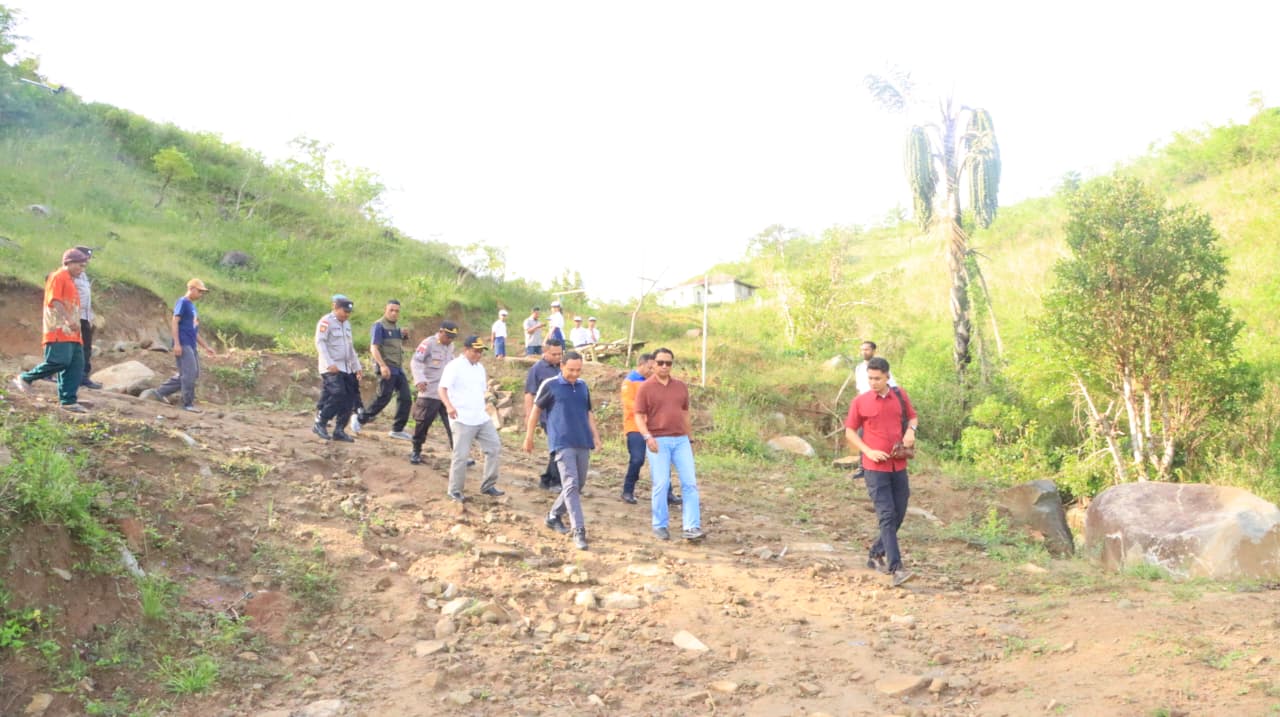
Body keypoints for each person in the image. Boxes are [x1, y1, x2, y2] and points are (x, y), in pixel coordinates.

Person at [844, 356, 918, 587]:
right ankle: (896, 568)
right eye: (870, 378)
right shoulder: (860, 401)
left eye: (877, 378)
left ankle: (876, 552)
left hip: (898, 465)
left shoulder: (899, 395)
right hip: (874, 468)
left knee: (899, 514)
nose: (873, 382)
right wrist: (868, 451)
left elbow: (913, 417)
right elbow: (850, 432)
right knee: (886, 515)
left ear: (887, 376)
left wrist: (911, 431)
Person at [523, 351, 600, 550]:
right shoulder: (550, 385)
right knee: (571, 483)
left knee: (578, 484)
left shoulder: (583, 386)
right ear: (562, 366)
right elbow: (536, 411)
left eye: (578, 370)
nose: (575, 374)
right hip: (561, 442)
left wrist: (596, 437)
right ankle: (579, 531)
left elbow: (588, 412)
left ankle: (554, 515)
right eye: (571, 369)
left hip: (582, 441)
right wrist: (529, 436)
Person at [634, 348, 704, 542]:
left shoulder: (680, 386)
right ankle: (660, 524)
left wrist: (690, 439)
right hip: (658, 439)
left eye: (668, 363)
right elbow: (639, 415)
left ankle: (691, 526)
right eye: (661, 362)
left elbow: (684, 413)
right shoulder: (645, 388)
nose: (664, 366)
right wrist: (647, 437)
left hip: (681, 440)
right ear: (653, 364)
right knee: (662, 483)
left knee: (690, 483)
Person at [11, 248, 90, 413]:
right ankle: (25, 378)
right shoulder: (58, 276)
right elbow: (55, 300)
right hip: (58, 329)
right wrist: (68, 319)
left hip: (73, 333)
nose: (82, 270)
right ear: (69, 263)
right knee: (59, 361)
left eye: (84, 267)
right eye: (80, 266)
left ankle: (68, 400)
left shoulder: (71, 281)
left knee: (76, 365)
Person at [438, 335, 503, 502]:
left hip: (480, 416)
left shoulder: (480, 368)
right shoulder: (454, 366)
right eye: (475, 351)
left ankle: (488, 485)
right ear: (465, 350)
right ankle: (455, 490)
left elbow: (480, 391)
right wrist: (449, 406)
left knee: (494, 447)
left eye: (480, 352)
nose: (478, 355)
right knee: (461, 455)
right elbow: (442, 389)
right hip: (461, 417)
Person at [144, 278, 216, 412]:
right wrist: (177, 343)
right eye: (200, 291)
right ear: (192, 289)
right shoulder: (182, 302)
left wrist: (206, 347)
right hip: (183, 343)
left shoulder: (192, 307)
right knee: (189, 374)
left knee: (191, 374)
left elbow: (194, 331)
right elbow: (174, 322)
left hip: (191, 344)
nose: (201, 295)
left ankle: (160, 392)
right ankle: (186, 404)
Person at [620, 353, 678, 505]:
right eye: (650, 367)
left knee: (662, 460)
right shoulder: (630, 382)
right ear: (642, 365)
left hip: (655, 427)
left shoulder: (654, 382)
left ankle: (668, 493)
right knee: (637, 459)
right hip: (635, 427)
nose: (653, 370)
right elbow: (629, 404)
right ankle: (628, 490)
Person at [356, 299, 412, 440]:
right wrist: (382, 366)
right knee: (384, 398)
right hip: (387, 367)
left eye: (397, 311)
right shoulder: (379, 325)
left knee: (406, 398)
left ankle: (397, 430)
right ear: (385, 310)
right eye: (391, 310)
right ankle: (360, 419)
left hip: (398, 369)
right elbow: (374, 348)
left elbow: (395, 345)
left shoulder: (396, 328)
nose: (394, 313)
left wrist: (404, 336)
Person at [312, 295, 362, 442]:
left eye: (348, 312)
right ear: (335, 307)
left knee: (349, 398)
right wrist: (329, 363)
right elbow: (320, 343)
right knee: (338, 393)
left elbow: (350, 347)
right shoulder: (326, 322)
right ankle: (321, 422)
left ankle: (339, 429)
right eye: (344, 311)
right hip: (331, 367)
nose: (346, 315)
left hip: (346, 367)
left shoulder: (347, 325)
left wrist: (357, 366)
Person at [408, 320, 458, 465]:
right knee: (422, 423)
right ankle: (416, 450)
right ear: (441, 332)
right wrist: (419, 379)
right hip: (429, 390)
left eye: (452, 337)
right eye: (448, 336)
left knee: (453, 424)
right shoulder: (428, 343)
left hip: (446, 393)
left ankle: (458, 454)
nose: (449, 340)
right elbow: (415, 361)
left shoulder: (451, 346)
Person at [851, 340, 896, 479]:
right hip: (864, 406)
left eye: (867, 350)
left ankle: (887, 465)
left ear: (873, 351)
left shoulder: (882, 368)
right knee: (861, 434)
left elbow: (892, 387)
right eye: (862, 349)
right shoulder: (859, 368)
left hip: (880, 406)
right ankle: (862, 467)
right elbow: (860, 389)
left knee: (880, 437)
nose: (864, 352)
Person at [524, 338, 565, 491]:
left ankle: (546, 479)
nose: (558, 357)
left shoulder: (562, 366)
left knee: (560, 447)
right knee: (558, 448)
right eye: (554, 354)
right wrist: (529, 417)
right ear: (545, 352)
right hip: (546, 416)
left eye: (560, 354)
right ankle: (555, 481)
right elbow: (529, 394)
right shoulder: (537, 369)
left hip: (562, 415)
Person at [73, 245, 102, 390]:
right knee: (66, 346)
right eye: (85, 258)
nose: (87, 262)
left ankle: (83, 376)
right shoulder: (69, 275)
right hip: (73, 315)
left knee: (86, 348)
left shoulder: (83, 275)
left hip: (84, 316)